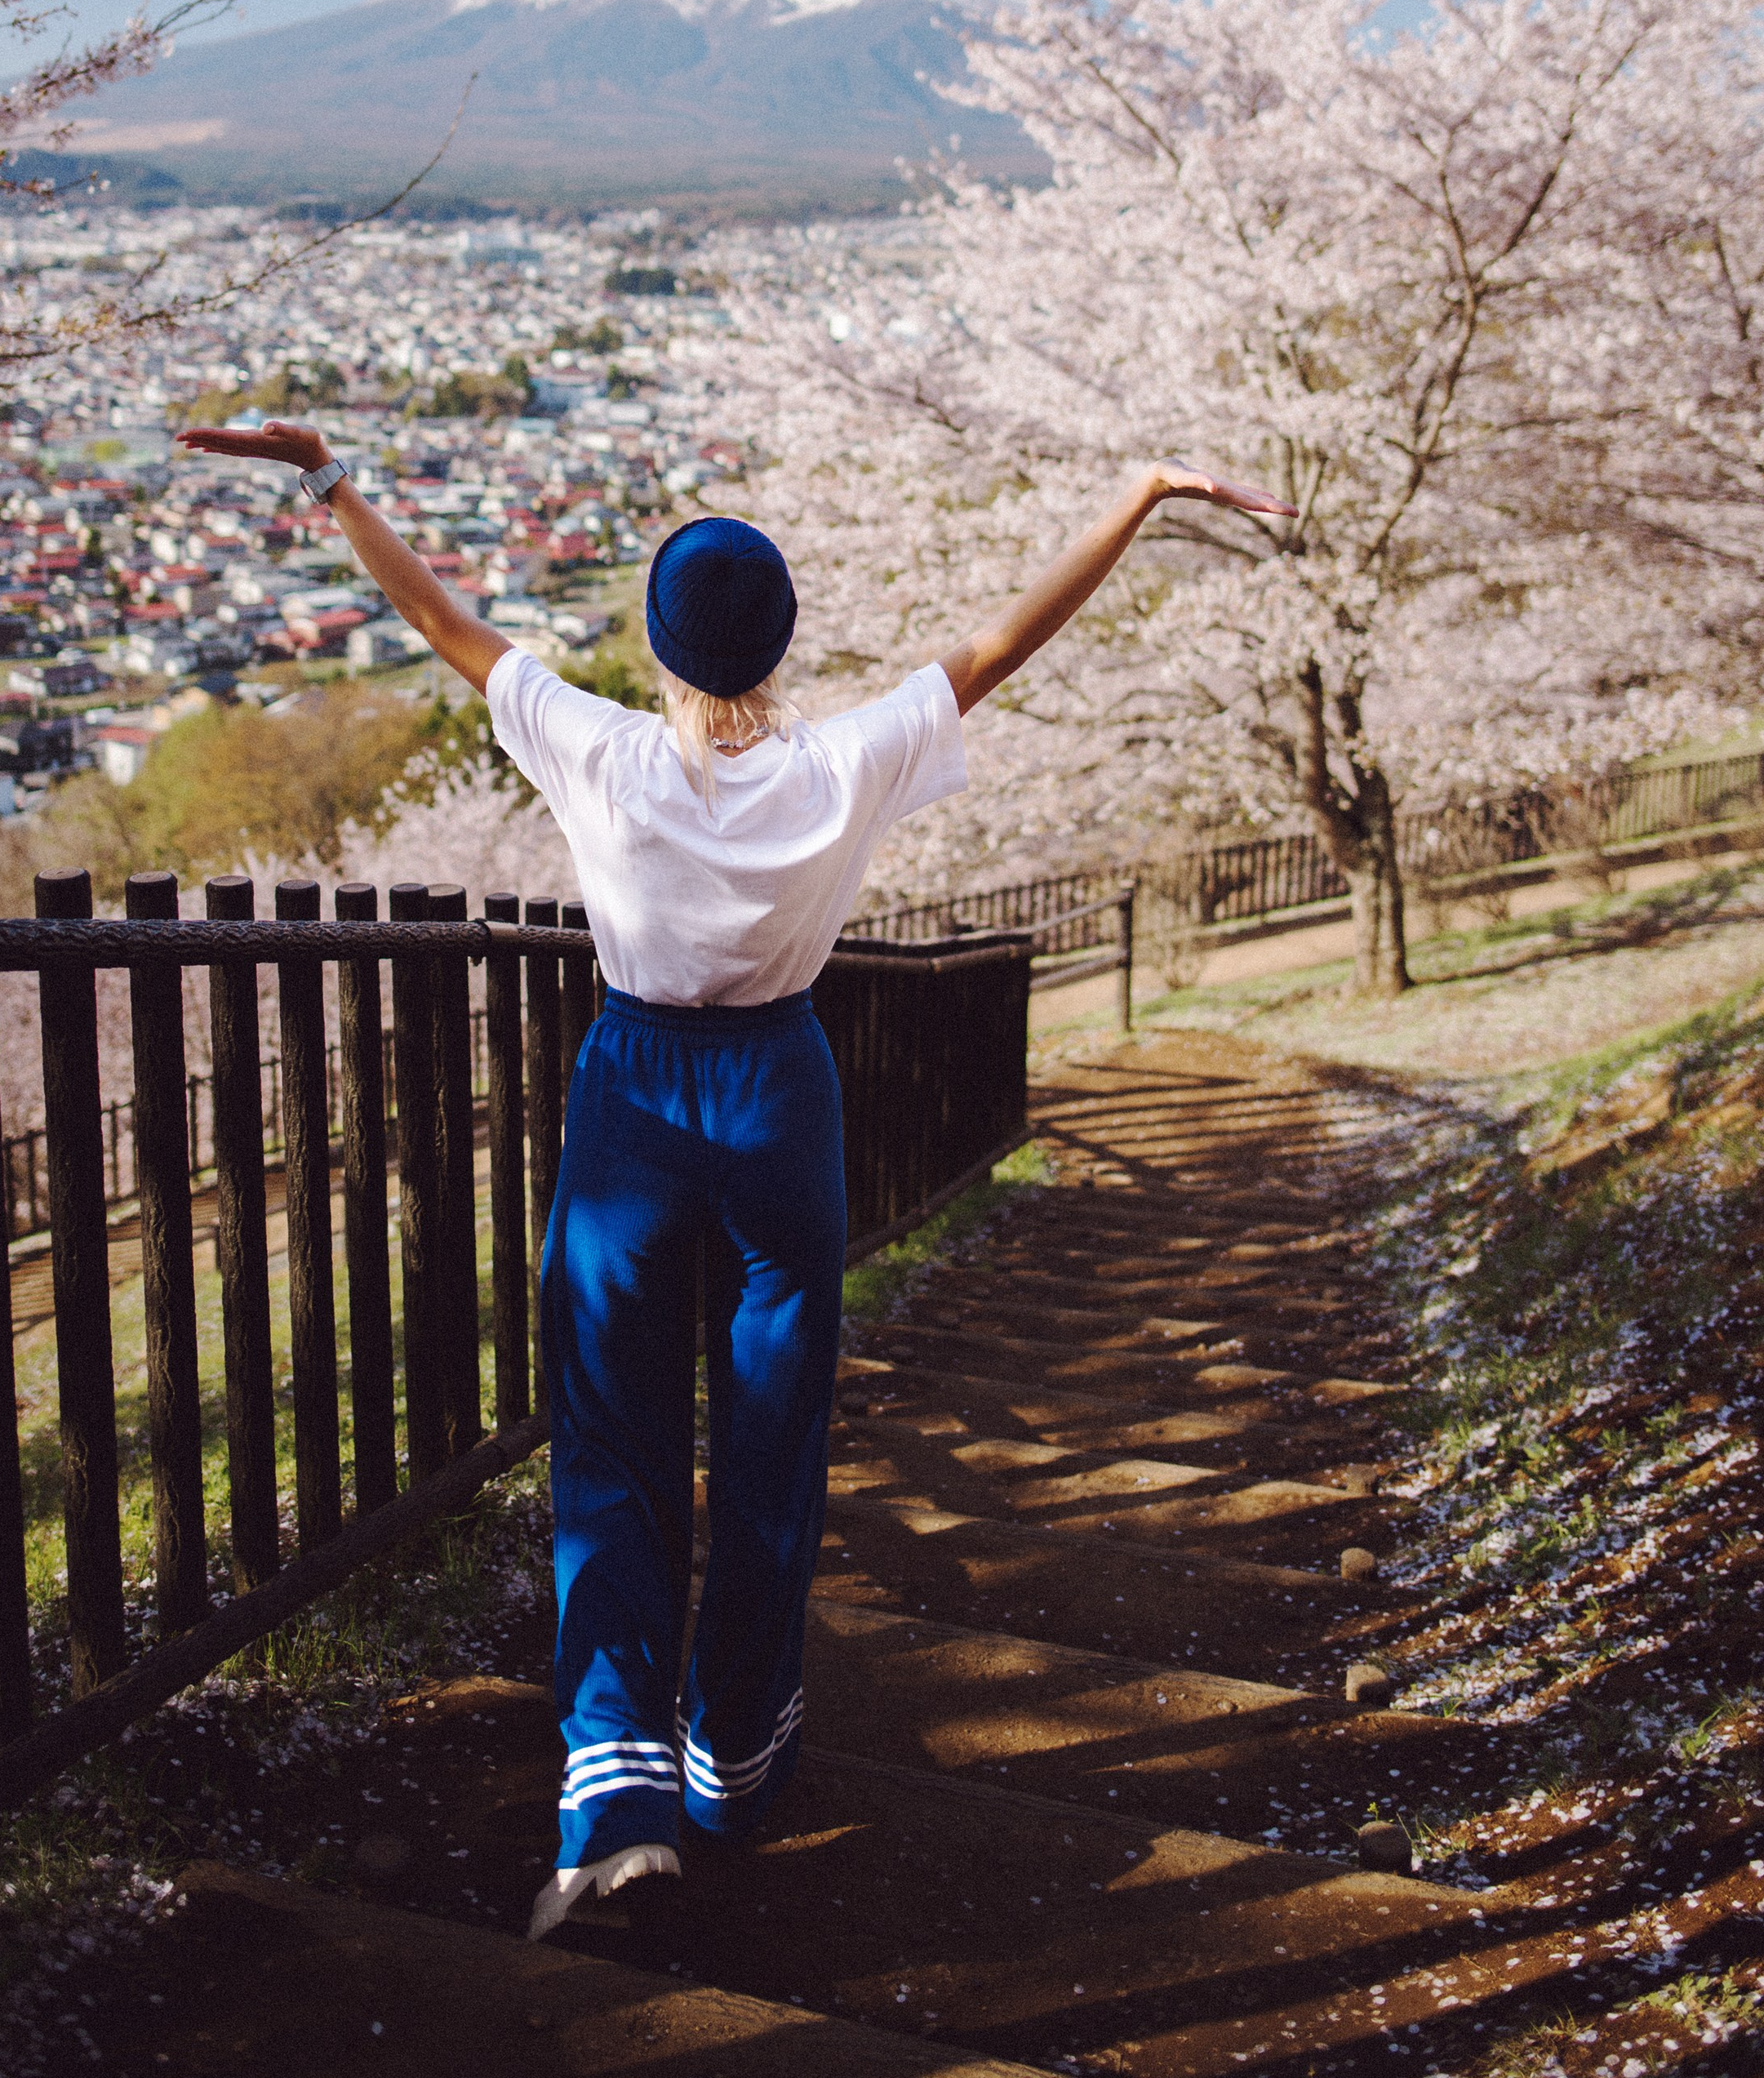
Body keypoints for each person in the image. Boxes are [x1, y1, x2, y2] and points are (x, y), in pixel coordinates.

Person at [175, 416, 1294, 1941]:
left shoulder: (597, 748)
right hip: (783, 1099)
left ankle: (616, 1803)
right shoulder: (846, 761)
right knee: (773, 1440)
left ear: (656, 643)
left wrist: (327, 477)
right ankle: (735, 1762)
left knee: (614, 1441)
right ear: (782, 642)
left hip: (635, 1097)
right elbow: (1002, 642)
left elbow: (440, 619)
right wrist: (1141, 496)